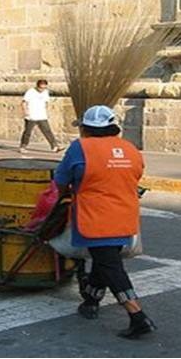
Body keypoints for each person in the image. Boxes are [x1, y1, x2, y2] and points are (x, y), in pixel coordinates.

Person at [54, 105, 156, 339]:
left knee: (111, 267)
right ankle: (90, 301)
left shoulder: (80, 148)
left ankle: (137, 316)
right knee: (104, 261)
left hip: (96, 219)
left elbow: (60, 181)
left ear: (86, 129)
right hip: (125, 216)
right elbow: (136, 174)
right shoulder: (129, 148)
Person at [19, 80, 63, 153]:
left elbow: (46, 102)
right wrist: (25, 112)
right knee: (27, 132)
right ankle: (23, 147)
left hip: (42, 115)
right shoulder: (30, 92)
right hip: (31, 116)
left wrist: (46, 111)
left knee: (47, 131)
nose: (42, 89)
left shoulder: (45, 92)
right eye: (41, 88)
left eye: (44, 88)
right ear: (37, 86)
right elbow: (24, 102)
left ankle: (54, 147)